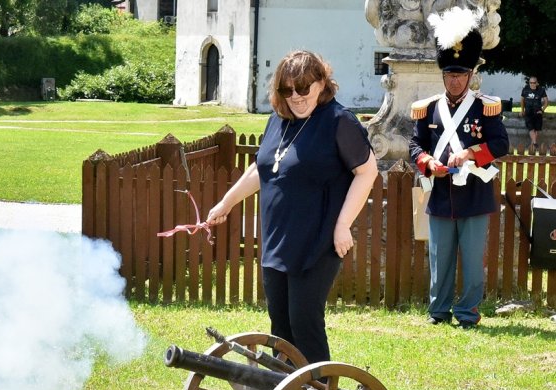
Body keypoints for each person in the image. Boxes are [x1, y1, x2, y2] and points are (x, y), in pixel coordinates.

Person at [206, 50, 378, 364]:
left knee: (304, 321)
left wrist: (342, 226)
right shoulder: (277, 120)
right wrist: (226, 203)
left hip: (317, 240)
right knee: (281, 325)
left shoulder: (339, 121)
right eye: (287, 90)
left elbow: (367, 171)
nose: (296, 97)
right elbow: (262, 168)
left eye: (303, 88)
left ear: (321, 82)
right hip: (277, 240)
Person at [409, 7, 509, 329]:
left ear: (471, 75)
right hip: (439, 194)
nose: (455, 80)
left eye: (461, 74)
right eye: (450, 75)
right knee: (439, 260)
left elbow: (500, 145)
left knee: (473, 262)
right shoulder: (428, 110)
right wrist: (429, 164)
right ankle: (438, 312)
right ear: (443, 75)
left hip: (476, 196)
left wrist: (468, 153)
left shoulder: (486, 108)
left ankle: (467, 314)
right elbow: (415, 146)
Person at [520, 76, 548, 150]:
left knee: (536, 129)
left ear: (537, 83)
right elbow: (522, 100)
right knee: (531, 128)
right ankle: (535, 143)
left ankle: (532, 144)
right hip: (528, 112)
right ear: (529, 83)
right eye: (531, 83)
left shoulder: (541, 90)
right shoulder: (525, 89)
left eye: (534, 83)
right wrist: (522, 110)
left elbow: (546, 102)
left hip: (537, 111)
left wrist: (542, 110)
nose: (532, 84)